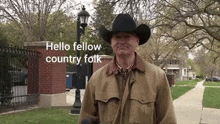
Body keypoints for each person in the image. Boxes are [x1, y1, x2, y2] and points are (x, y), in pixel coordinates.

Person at [79, 13, 177, 124]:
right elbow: (86, 118)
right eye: (117, 37)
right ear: (111, 42)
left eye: (127, 36)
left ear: (137, 41)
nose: (121, 41)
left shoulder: (157, 77)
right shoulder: (97, 79)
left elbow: (167, 120)